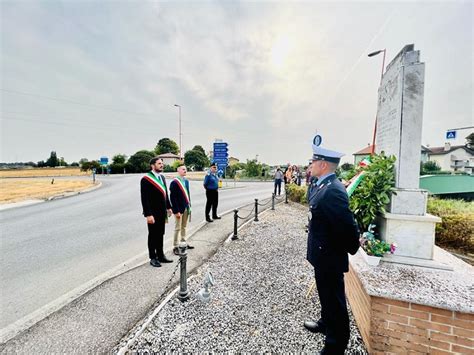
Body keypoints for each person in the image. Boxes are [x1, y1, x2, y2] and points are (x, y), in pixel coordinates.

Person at [304, 135, 360, 354]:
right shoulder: (322, 185)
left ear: (323, 164)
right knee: (325, 295)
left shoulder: (334, 190)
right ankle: (326, 324)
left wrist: (353, 247)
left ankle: (335, 345)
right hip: (321, 253)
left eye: (313, 161)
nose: (310, 165)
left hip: (330, 256)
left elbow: (346, 226)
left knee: (334, 300)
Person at [140, 157, 173, 267]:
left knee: (160, 234)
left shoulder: (162, 177)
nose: (162, 165)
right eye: (159, 163)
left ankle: (161, 255)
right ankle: (153, 257)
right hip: (152, 213)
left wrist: (169, 207)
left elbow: (165, 194)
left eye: (162, 163)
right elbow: (144, 199)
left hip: (162, 212)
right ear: (152, 165)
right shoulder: (146, 179)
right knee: (153, 235)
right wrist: (148, 214)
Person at [170, 164, 194, 255]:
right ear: (178, 170)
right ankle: (175, 246)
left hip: (186, 207)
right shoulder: (174, 182)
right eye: (183, 169)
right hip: (179, 209)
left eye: (186, 169)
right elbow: (173, 198)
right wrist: (176, 211)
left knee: (184, 227)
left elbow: (187, 194)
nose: (185, 170)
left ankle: (183, 242)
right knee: (177, 228)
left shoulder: (186, 181)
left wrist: (189, 206)